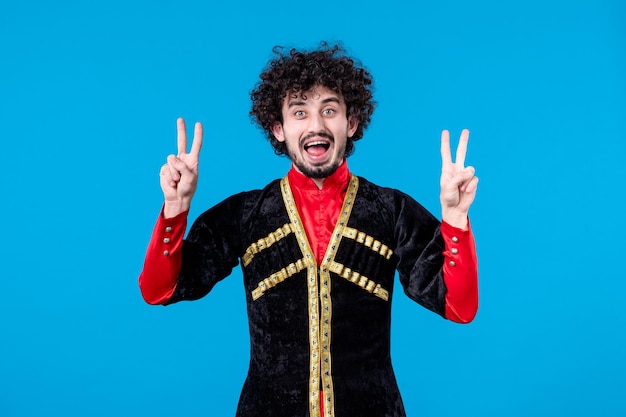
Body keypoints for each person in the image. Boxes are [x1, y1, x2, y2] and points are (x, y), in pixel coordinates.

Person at [139, 43, 479, 417]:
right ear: (279, 128)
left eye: (329, 110)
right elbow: (160, 289)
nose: (316, 125)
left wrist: (455, 219)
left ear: (351, 123)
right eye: (299, 112)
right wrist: (175, 209)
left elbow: (458, 306)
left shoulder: (392, 211)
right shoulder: (245, 214)